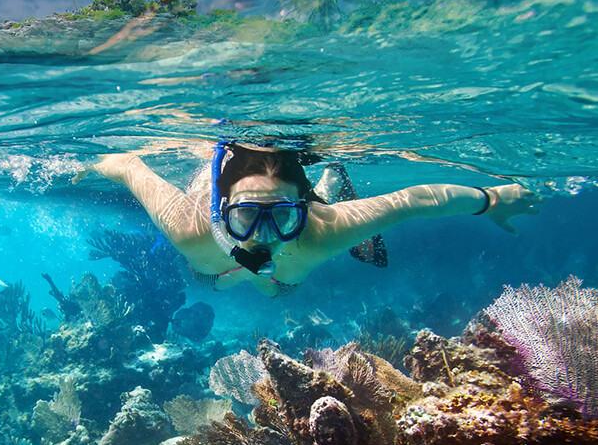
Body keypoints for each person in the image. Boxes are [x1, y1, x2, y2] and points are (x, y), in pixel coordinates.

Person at [73, 142, 542, 297]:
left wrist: (492, 198)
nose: (262, 235)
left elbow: (415, 199)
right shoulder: (190, 228)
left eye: (281, 216)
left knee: (277, 286)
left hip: (298, 239)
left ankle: (329, 185)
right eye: (246, 217)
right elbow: (131, 165)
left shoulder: (323, 229)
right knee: (212, 278)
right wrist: (92, 164)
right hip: (213, 264)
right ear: (221, 212)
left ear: (303, 210)